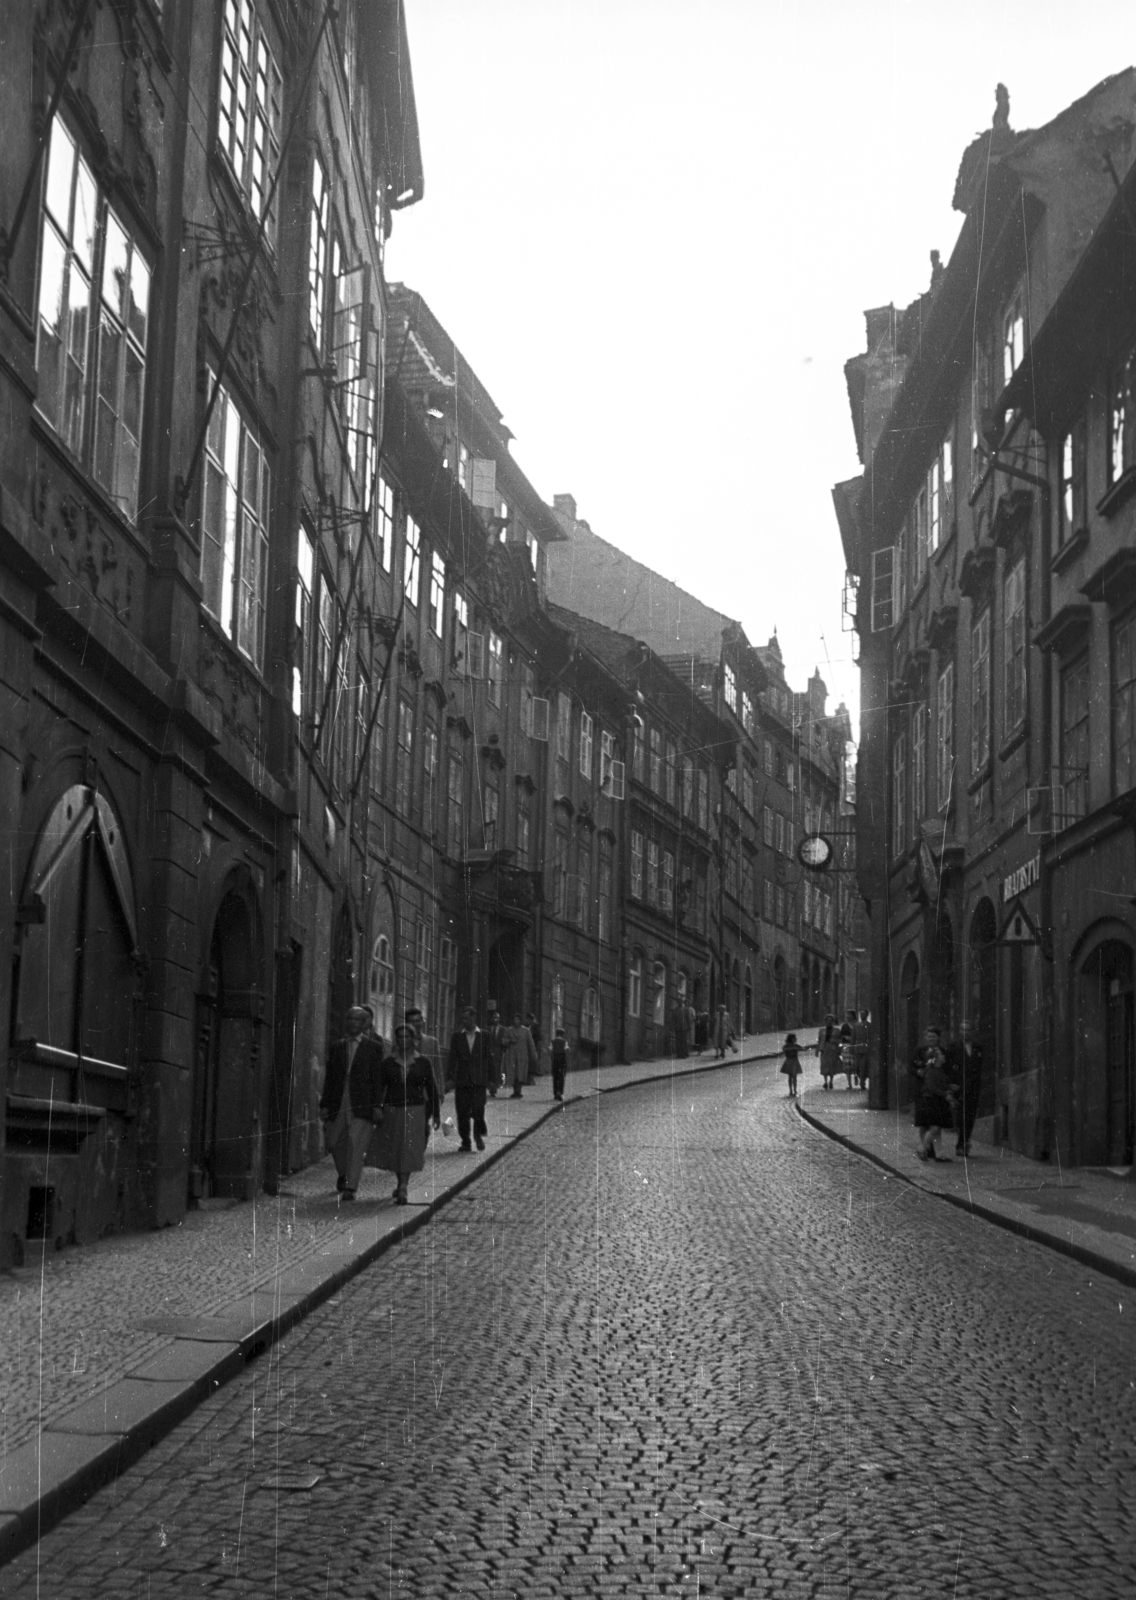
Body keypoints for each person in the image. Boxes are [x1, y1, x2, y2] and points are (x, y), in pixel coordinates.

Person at [370, 1023, 441, 1204]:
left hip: (415, 1110)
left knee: (409, 1148)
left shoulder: (423, 1062)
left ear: (414, 1040)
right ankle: (399, 1181)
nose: (403, 1040)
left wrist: (436, 1114)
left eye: (407, 1037)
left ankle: (403, 1186)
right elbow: (379, 1087)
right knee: (396, 1146)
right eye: (400, 1037)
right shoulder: (388, 1063)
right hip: (393, 1109)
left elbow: (431, 1088)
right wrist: (378, 1107)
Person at [320, 1005, 385, 1202]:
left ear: (365, 1023)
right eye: (351, 1019)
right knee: (333, 1141)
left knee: (356, 1144)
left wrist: (377, 1106)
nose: (354, 1023)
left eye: (358, 1020)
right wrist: (324, 1103)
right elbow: (330, 1077)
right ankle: (343, 1173)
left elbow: (377, 1079)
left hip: (362, 1101)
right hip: (339, 1100)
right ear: (346, 1022)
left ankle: (350, 1187)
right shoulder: (337, 1046)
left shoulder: (373, 1047)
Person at [447, 1006, 490, 1151]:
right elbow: (452, 1058)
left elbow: (490, 1059)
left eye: (467, 1018)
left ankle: (478, 1136)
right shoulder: (457, 1036)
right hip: (462, 1080)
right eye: (463, 1018)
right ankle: (466, 1141)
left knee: (478, 1109)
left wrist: (494, 1080)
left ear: (473, 1018)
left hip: (479, 1081)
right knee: (462, 1112)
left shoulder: (485, 1036)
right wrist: (449, 1078)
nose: (464, 1021)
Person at [911, 1024, 954, 1162]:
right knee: (925, 1124)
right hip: (924, 1092)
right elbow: (911, 1067)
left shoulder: (944, 1052)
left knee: (936, 1123)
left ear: (938, 1038)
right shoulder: (920, 1051)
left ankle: (935, 1152)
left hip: (936, 1093)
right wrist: (918, 1072)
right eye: (928, 1036)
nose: (930, 1039)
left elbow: (947, 1070)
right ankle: (925, 1149)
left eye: (933, 1036)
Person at [947, 1020, 983, 1156]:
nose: (965, 1032)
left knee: (970, 1115)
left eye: (968, 1030)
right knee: (961, 1116)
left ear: (972, 1032)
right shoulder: (953, 1047)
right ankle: (961, 1144)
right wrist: (951, 1085)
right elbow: (949, 1067)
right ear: (959, 1031)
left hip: (973, 1087)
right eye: (963, 1029)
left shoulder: (978, 1048)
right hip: (959, 1087)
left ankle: (965, 1141)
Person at [405, 1006, 443, 1106]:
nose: (415, 1024)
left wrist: (440, 1093)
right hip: (406, 1094)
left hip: (427, 1094)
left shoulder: (432, 1042)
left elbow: (438, 1069)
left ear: (422, 1022)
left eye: (417, 1021)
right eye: (411, 1021)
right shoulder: (400, 1042)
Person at [503, 1011, 538, 1098]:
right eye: (514, 1019)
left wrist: (533, 1055)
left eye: (518, 1019)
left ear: (521, 1021)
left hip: (522, 1055)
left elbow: (530, 1043)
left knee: (521, 1074)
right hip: (511, 1055)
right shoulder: (509, 1030)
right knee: (513, 1074)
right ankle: (515, 1091)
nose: (516, 1021)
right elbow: (503, 1041)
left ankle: (519, 1091)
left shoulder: (526, 1030)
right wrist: (510, 1041)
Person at [816, 1014, 840, 1090]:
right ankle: (825, 1081)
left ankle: (831, 1081)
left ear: (833, 1022)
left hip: (832, 1049)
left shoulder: (837, 1030)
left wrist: (836, 1045)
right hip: (824, 1049)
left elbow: (840, 1040)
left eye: (831, 1021)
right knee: (824, 1065)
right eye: (827, 1021)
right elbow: (819, 1040)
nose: (829, 1022)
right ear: (825, 1021)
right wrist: (817, 1050)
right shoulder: (821, 1030)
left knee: (831, 1065)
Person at [485, 1010, 505, 1096]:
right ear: (491, 1019)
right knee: (490, 1070)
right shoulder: (487, 1029)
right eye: (494, 1018)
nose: (496, 1019)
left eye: (497, 1018)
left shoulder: (503, 1029)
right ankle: (491, 1088)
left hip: (498, 1052)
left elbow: (505, 1040)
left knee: (497, 1070)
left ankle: (495, 1088)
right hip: (489, 1052)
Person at [550, 1028, 570, 1101]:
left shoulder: (553, 1041)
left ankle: (555, 1093)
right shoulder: (564, 1041)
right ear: (562, 1034)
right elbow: (566, 1050)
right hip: (562, 1059)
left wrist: (552, 1058)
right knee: (562, 1075)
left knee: (555, 1076)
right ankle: (560, 1092)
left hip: (555, 1059)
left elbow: (550, 1050)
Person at [780, 1033, 802, 1098]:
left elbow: (784, 1049)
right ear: (792, 1039)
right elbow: (802, 1048)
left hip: (789, 1062)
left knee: (790, 1077)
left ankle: (791, 1091)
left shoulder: (787, 1046)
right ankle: (794, 1090)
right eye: (795, 1038)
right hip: (793, 1062)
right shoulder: (794, 1046)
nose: (796, 1039)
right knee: (794, 1077)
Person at [852, 1011, 871, 1090]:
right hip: (857, 1047)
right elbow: (853, 1038)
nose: (862, 1015)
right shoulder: (856, 1026)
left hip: (866, 1048)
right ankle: (860, 1078)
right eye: (861, 1014)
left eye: (863, 1014)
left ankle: (862, 1082)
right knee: (856, 1067)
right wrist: (851, 1048)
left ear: (866, 1015)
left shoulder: (870, 1026)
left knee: (863, 1066)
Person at [839, 1010, 856, 1089]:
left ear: (853, 1016)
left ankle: (857, 1076)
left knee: (856, 1064)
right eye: (847, 1015)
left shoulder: (857, 1025)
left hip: (856, 1046)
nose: (847, 1016)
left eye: (849, 1015)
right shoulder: (844, 1026)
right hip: (846, 1047)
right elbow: (841, 1037)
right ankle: (849, 1084)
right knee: (847, 1065)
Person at [525, 1011, 542, 1083]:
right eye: (527, 1019)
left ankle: (531, 1078)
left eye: (529, 1019)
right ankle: (527, 1078)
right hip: (526, 1047)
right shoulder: (525, 1026)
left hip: (534, 1046)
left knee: (533, 1062)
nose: (528, 1021)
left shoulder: (536, 1026)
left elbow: (539, 1037)